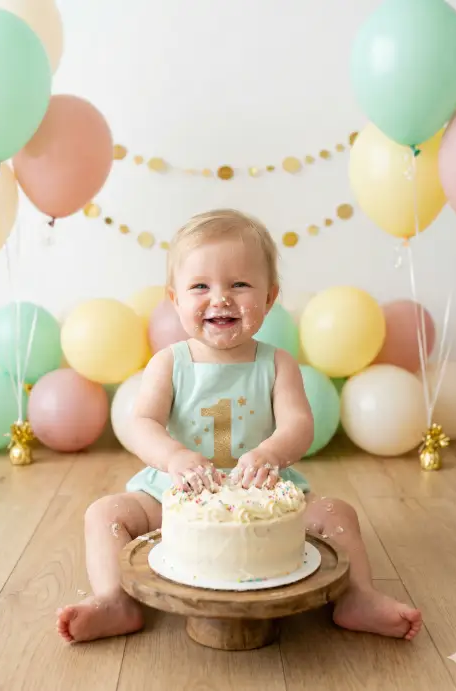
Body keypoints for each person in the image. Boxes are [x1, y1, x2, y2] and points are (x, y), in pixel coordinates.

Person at [57, 209, 422, 644]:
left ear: (270, 298)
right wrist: (174, 457)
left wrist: (271, 453)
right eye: (200, 287)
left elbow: (299, 424)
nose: (221, 298)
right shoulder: (169, 364)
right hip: (175, 492)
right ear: (174, 299)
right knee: (104, 515)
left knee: (337, 513)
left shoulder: (276, 364)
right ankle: (116, 600)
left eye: (240, 285)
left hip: (264, 494)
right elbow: (142, 424)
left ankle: (357, 597)